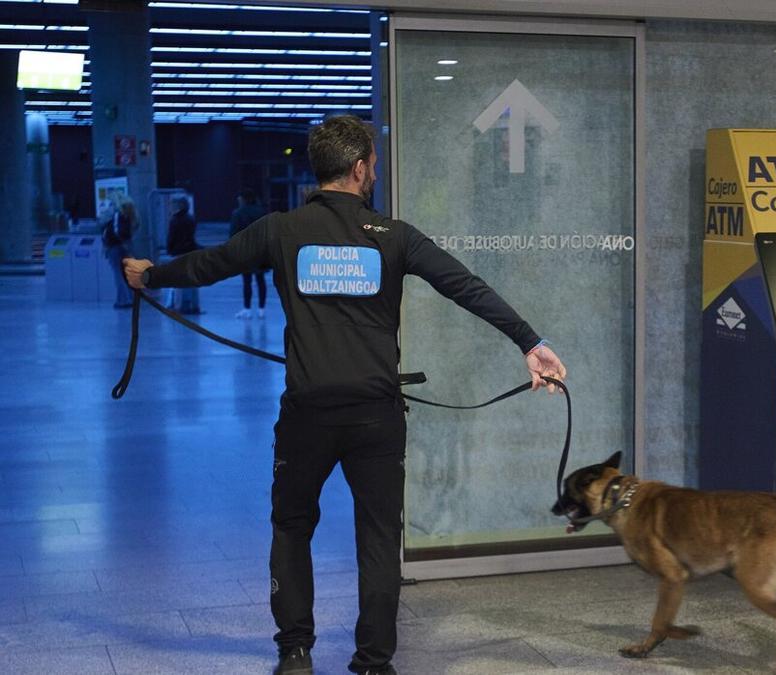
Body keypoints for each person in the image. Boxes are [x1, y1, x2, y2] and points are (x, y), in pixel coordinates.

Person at [121, 114, 566, 675]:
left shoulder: (279, 230)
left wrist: (149, 275)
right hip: (377, 417)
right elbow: (466, 287)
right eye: (374, 164)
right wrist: (531, 342)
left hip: (307, 414)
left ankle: (295, 651)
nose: (374, 172)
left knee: (292, 525)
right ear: (360, 169)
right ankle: (375, 660)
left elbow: (209, 266)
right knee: (378, 536)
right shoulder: (395, 236)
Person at [230, 188, 270, 318]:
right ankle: (262, 309)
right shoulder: (262, 212)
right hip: (261, 251)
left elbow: (233, 234)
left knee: (246, 280)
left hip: (245, 251)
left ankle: (247, 309)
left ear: (243, 199)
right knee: (260, 279)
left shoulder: (238, 213)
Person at [165, 196, 202, 314]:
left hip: (178, 252)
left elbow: (171, 237)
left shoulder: (174, 220)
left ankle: (178, 306)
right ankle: (195, 305)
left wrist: (169, 249)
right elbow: (192, 236)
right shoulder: (191, 219)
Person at [103, 198, 135, 308]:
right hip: (123, 246)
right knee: (125, 273)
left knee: (118, 274)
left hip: (116, 246)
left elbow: (116, 231)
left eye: (111, 204)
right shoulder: (127, 216)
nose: (109, 207)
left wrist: (112, 243)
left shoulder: (117, 216)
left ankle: (123, 300)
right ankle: (130, 297)